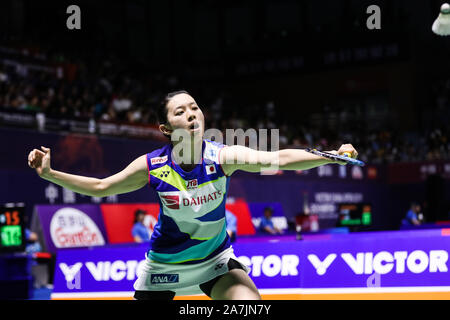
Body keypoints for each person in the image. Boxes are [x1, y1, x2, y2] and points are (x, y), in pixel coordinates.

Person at [27, 90, 358, 300]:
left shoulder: (221, 157)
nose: (191, 114)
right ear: (166, 129)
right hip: (163, 269)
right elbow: (102, 187)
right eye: (179, 112)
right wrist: (50, 174)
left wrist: (331, 154)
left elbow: (277, 158)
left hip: (215, 263)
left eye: (195, 108)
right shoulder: (153, 166)